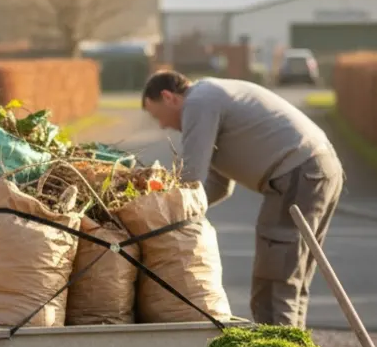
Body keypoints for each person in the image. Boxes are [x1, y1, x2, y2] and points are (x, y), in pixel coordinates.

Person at [141, 70, 344, 328]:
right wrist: (184, 216)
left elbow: (191, 176)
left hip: (298, 174)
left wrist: (159, 215)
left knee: (272, 285)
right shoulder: (212, 98)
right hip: (319, 170)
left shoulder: (198, 102)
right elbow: (217, 186)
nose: (162, 126)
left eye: (157, 115)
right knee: (291, 280)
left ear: (168, 97)